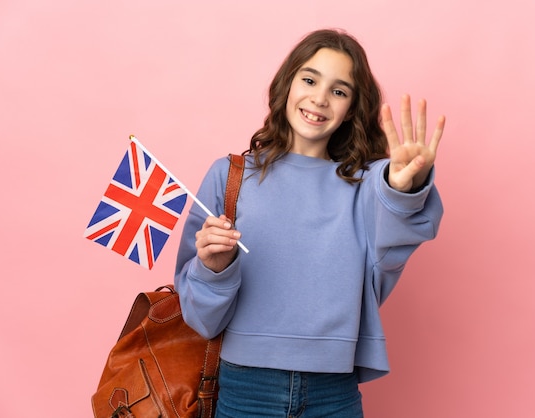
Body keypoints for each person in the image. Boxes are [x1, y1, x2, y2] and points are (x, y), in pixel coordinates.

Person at [175, 28, 446, 418]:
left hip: (333, 393)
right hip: (246, 389)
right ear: (287, 84)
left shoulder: (367, 184)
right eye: (309, 79)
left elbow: (395, 209)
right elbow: (200, 318)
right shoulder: (230, 177)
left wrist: (406, 183)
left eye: (339, 91)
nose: (319, 98)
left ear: (352, 107)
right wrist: (215, 269)